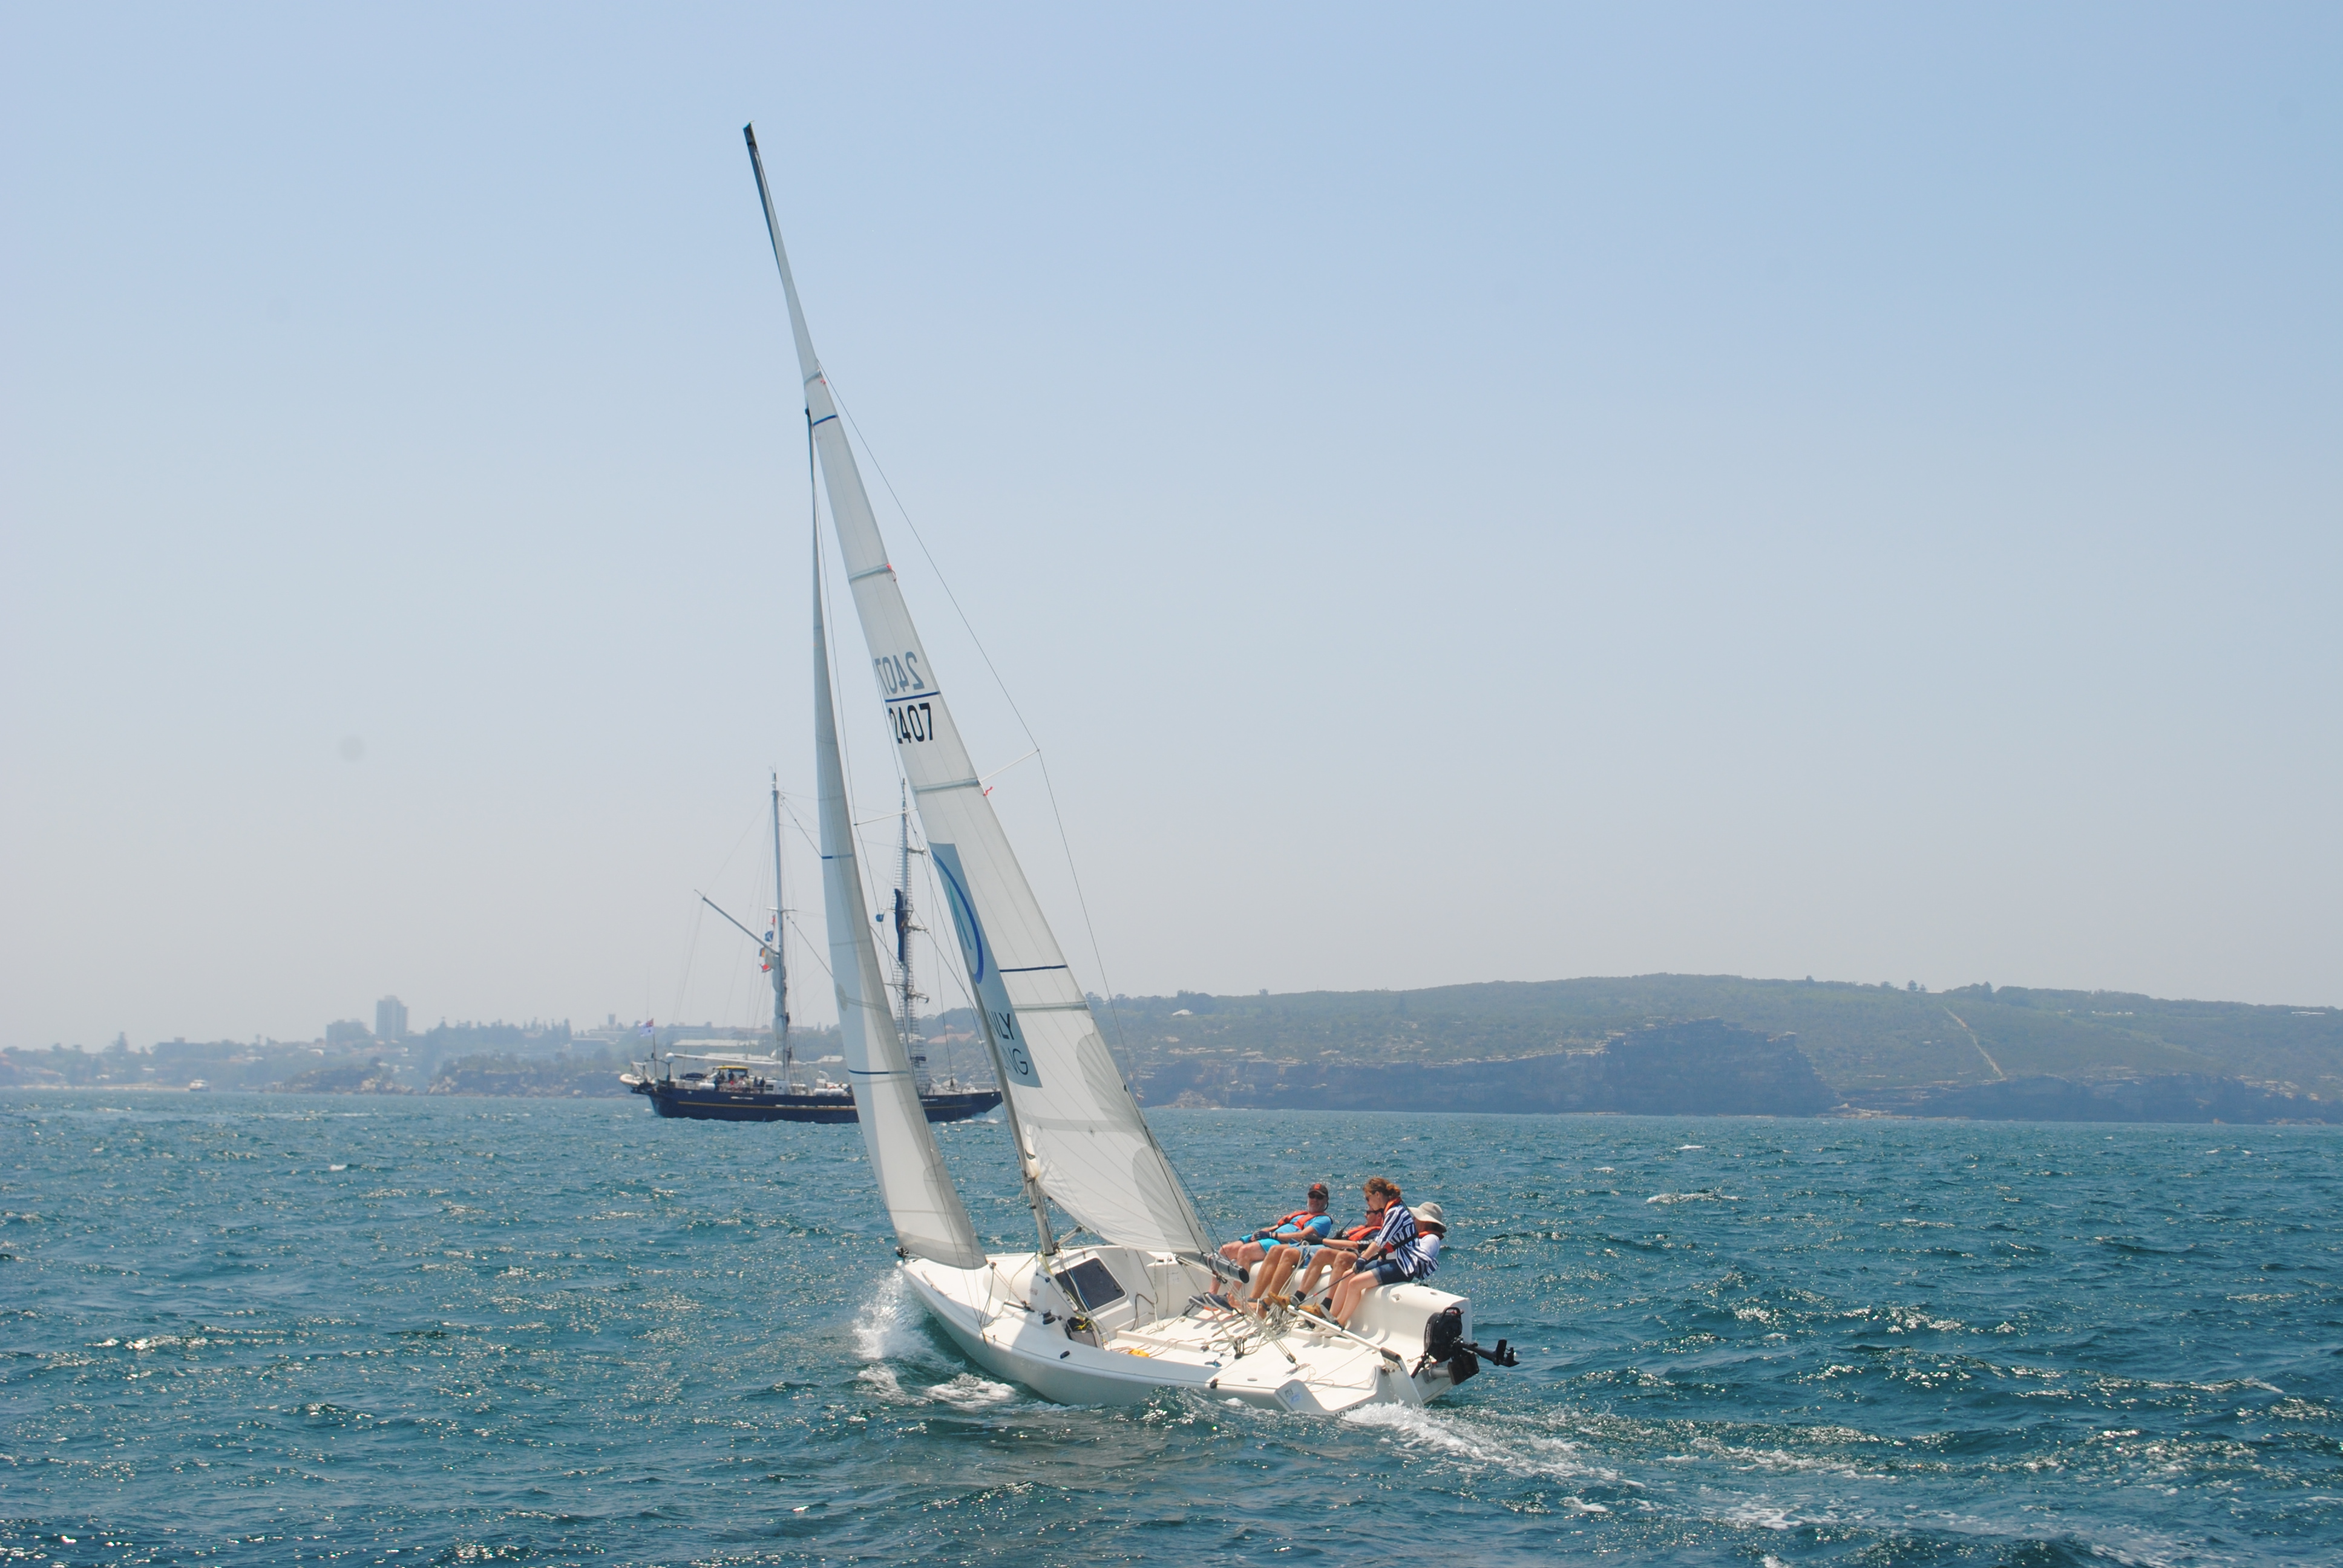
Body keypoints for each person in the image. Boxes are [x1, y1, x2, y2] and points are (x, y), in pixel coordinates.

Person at [1330, 1178, 1429, 1327]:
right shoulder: (1390, 1210)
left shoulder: (1396, 1212)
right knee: (1347, 1276)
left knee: (1355, 1284)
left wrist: (1363, 1259)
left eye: (1368, 1199)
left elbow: (1380, 1242)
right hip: (1389, 1260)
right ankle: (1330, 1317)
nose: (1368, 1203)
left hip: (1402, 1266)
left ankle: (1340, 1323)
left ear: (1377, 1195)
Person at [1217, 1182, 1334, 1285]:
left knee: (1245, 1251)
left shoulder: (1324, 1220)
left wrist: (1272, 1235)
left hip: (1281, 1242)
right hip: (1270, 1237)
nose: (1315, 1200)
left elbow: (1303, 1236)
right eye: (1312, 1196)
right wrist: (1260, 1233)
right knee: (1226, 1250)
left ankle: (1232, 1298)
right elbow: (1277, 1227)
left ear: (1326, 1200)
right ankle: (1212, 1293)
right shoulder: (1300, 1215)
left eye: (1319, 1197)